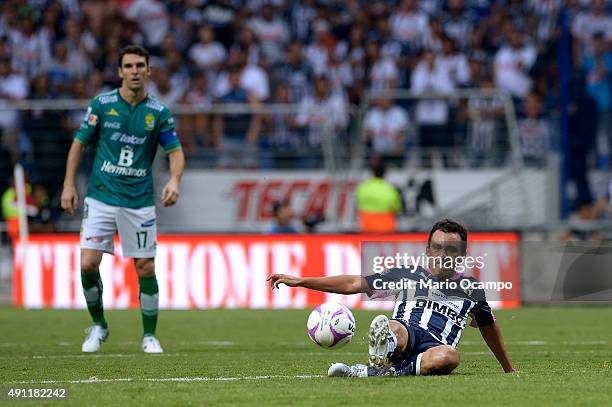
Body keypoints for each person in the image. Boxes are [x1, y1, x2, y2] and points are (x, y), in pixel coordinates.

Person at [268, 219, 515, 377]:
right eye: (437, 248)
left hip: (434, 348)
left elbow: (488, 326)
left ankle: (377, 372)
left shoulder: (472, 289)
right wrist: (302, 281)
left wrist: (508, 368)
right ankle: (384, 346)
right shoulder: (406, 274)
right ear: (427, 250)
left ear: (461, 255)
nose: (442, 254)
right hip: (405, 335)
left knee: (451, 356)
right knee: (394, 326)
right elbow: (355, 283)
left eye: (451, 249)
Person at [60, 45, 185, 354]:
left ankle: (150, 335)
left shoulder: (158, 112)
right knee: (88, 263)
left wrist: (174, 179)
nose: (134, 71)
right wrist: (68, 185)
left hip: (138, 199)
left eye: (140, 65)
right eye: (128, 66)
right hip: (101, 195)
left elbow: (175, 151)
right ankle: (99, 325)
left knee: (145, 268)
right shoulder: (101, 105)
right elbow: (79, 145)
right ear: (119, 72)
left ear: (148, 70)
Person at [355, 160, 402, 233]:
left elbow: (358, 204)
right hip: (386, 229)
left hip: (366, 228)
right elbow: (397, 208)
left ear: (373, 173)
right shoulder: (390, 190)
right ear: (384, 174)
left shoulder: (362, 188)